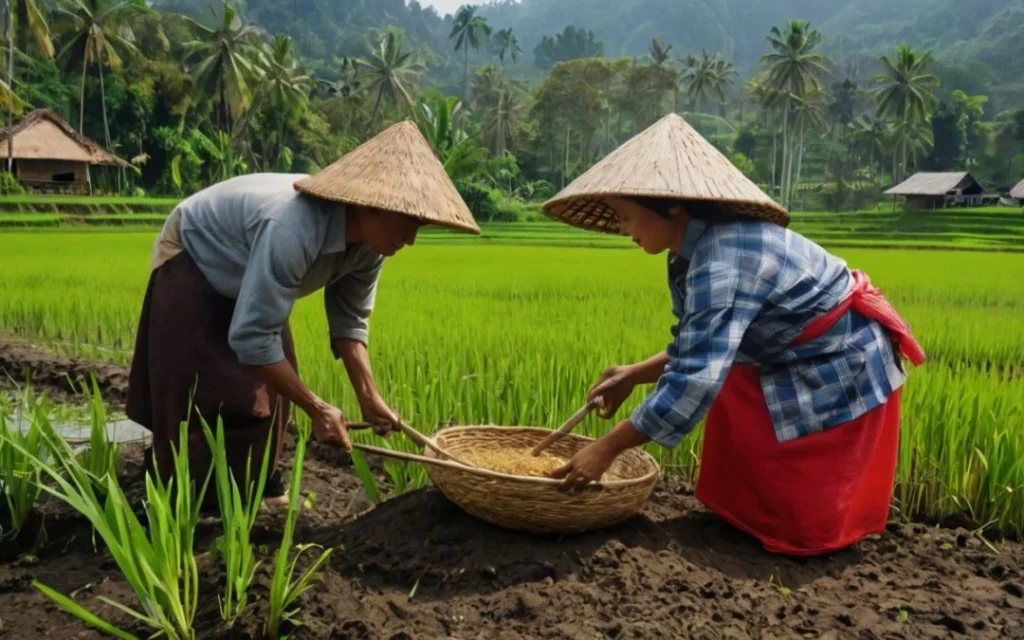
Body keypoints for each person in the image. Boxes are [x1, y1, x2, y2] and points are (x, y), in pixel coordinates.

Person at [542, 114, 925, 556]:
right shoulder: (687, 253)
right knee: (733, 399)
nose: (625, 230)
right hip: (789, 348)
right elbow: (700, 343)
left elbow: (695, 377)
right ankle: (747, 522)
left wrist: (606, 448)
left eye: (628, 217)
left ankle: (804, 543)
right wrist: (633, 374)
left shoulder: (721, 259)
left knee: (803, 516)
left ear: (671, 207)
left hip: (838, 358)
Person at [127, 121, 480, 506]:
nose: (411, 239)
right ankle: (172, 500)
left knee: (273, 390)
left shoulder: (373, 246)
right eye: (408, 221)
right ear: (370, 207)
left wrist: (369, 397)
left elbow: (350, 323)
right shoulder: (292, 228)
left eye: (421, 225)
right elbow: (251, 338)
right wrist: (317, 407)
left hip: (250, 268)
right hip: (195, 256)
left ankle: (256, 486)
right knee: (201, 391)